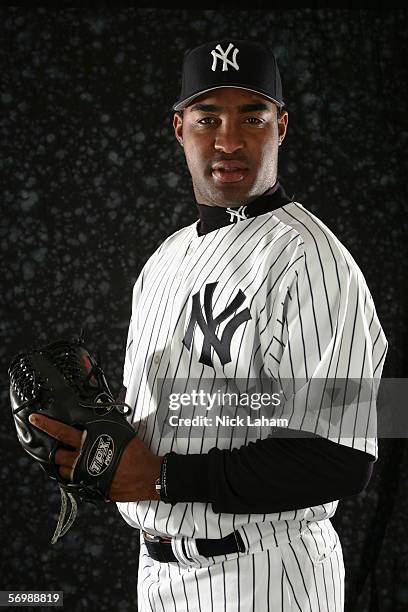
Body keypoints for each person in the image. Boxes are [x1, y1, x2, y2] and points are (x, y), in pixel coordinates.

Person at [30, 39, 388, 611]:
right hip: (156, 574)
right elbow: (158, 437)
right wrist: (97, 452)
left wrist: (164, 478)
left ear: (282, 126)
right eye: (207, 118)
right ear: (179, 128)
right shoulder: (163, 260)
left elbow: (341, 459)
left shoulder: (312, 259)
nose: (228, 140)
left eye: (252, 116)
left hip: (266, 574)